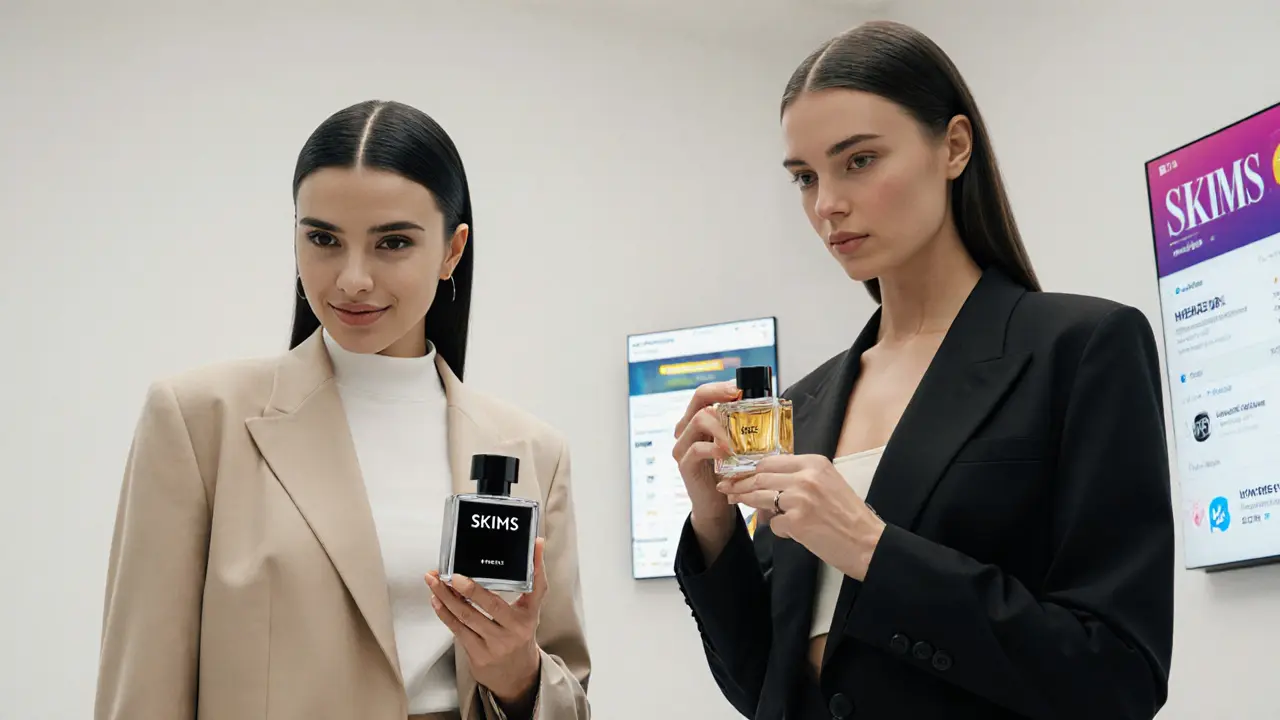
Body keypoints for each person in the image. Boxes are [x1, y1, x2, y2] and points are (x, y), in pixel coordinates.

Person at [671, 21, 1173, 720]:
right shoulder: (806, 403)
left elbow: (1118, 675)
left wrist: (870, 548)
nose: (827, 205)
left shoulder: (1082, 348)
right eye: (807, 178)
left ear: (954, 146)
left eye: (860, 161)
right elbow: (763, 684)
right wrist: (714, 526)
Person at [94, 100, 590, 720]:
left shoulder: (533, 450)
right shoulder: (198, 422)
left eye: (393, 243)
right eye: (323, 238)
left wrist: (517, 676)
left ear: (451, 251)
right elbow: (142, 689)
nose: (352, 278)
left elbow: (569, 693)